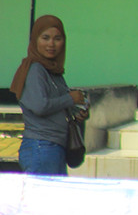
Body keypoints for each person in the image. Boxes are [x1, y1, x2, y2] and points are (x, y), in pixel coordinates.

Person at [10, 15, 88, 176]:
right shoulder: (34, 69)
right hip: (41, 147)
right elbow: (40, 106)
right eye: (45, 38)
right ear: (35, 40)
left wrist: (77, 112)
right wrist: (70, 99)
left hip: (55, 147)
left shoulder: (53, 71)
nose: (51, 44)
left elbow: (58, 104)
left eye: (57, 39)